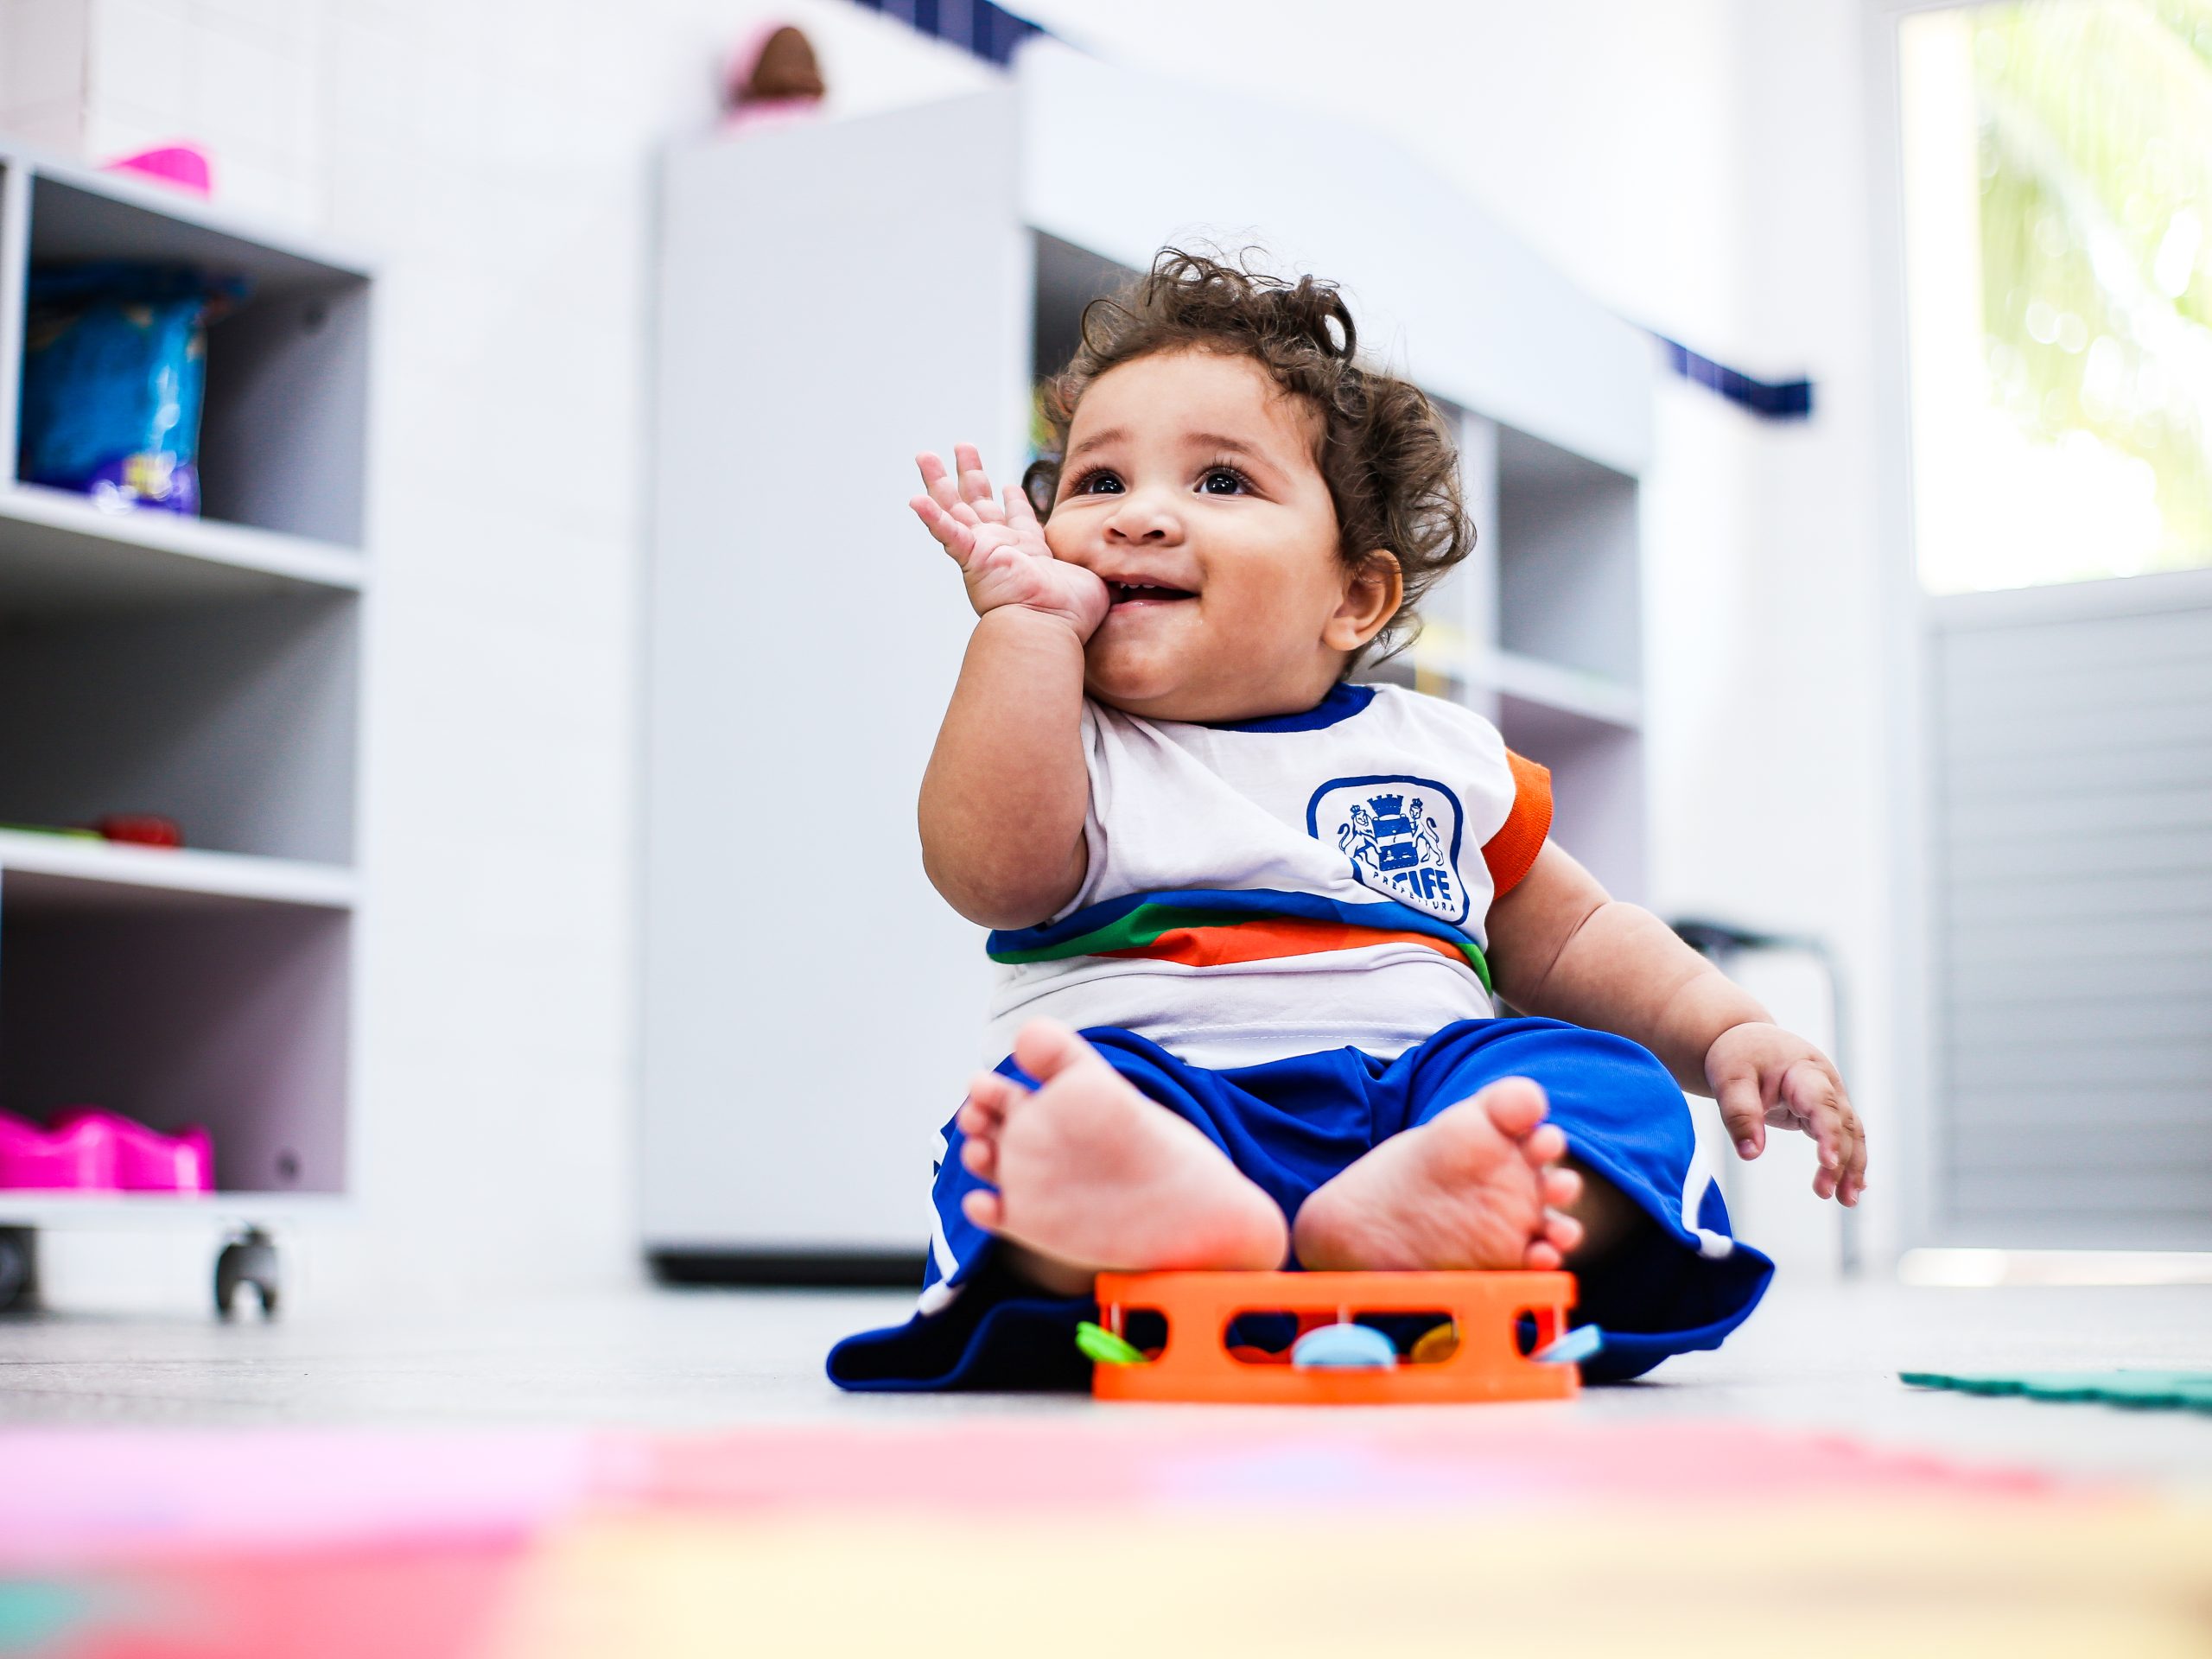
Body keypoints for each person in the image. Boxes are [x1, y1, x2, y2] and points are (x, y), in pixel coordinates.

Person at [829, 250, 1864, 1390]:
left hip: (1420, 1113)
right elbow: (991, 871)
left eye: (1221, 483)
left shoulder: (1439, 754)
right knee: (1037, 1111)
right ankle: (1155, 1218)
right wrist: (1025, 630)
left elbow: (1574, 937)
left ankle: (1453, 1219)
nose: (1141, 519)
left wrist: (1722, 1031)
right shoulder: (1067, 736)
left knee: (1592, 1083)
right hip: (1159, 1099)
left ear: (1354, 597)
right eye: (1097, 484)